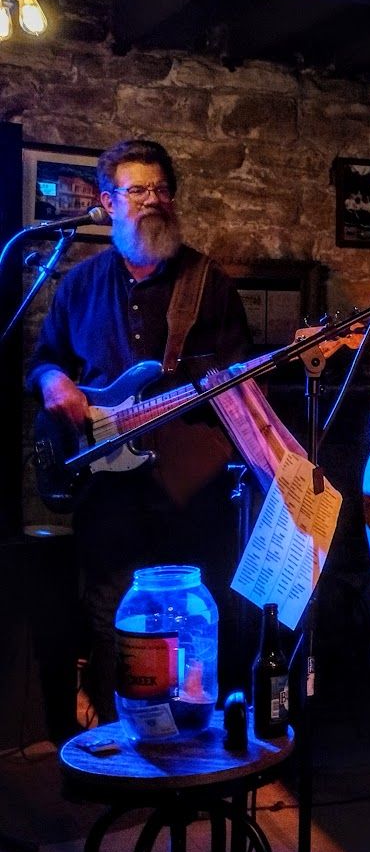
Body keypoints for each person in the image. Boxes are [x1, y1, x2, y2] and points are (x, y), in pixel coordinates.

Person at [25, 139, 252, 735]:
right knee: (112, 621)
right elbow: (44, 359)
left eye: (161, 189)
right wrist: (53, 382)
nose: (153, 200)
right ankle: (121, 745)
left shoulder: (208, 283)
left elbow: (239, 387)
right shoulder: (79, 284)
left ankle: (195, 748)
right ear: (107, 202)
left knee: (193, 624)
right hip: (105, 494)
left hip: (187, 493)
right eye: (138, 189)